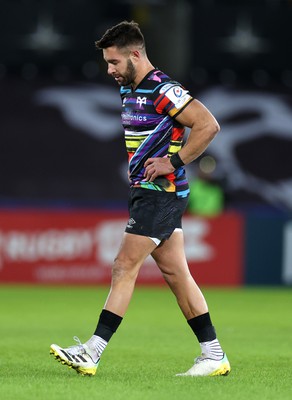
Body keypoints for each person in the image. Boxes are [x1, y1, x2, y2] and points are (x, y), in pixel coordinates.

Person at [50, 20, 231, 377]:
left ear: (136, 54)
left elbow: (208, 124)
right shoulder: (129, 90)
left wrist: (173, 162)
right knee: (177, 273)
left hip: (160, 195)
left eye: (114, 62)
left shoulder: (163, 88)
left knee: (123, 265)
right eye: (107, 63)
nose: (109, 70)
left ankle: (93, 351)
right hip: (147, 193)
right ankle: (213, 355)